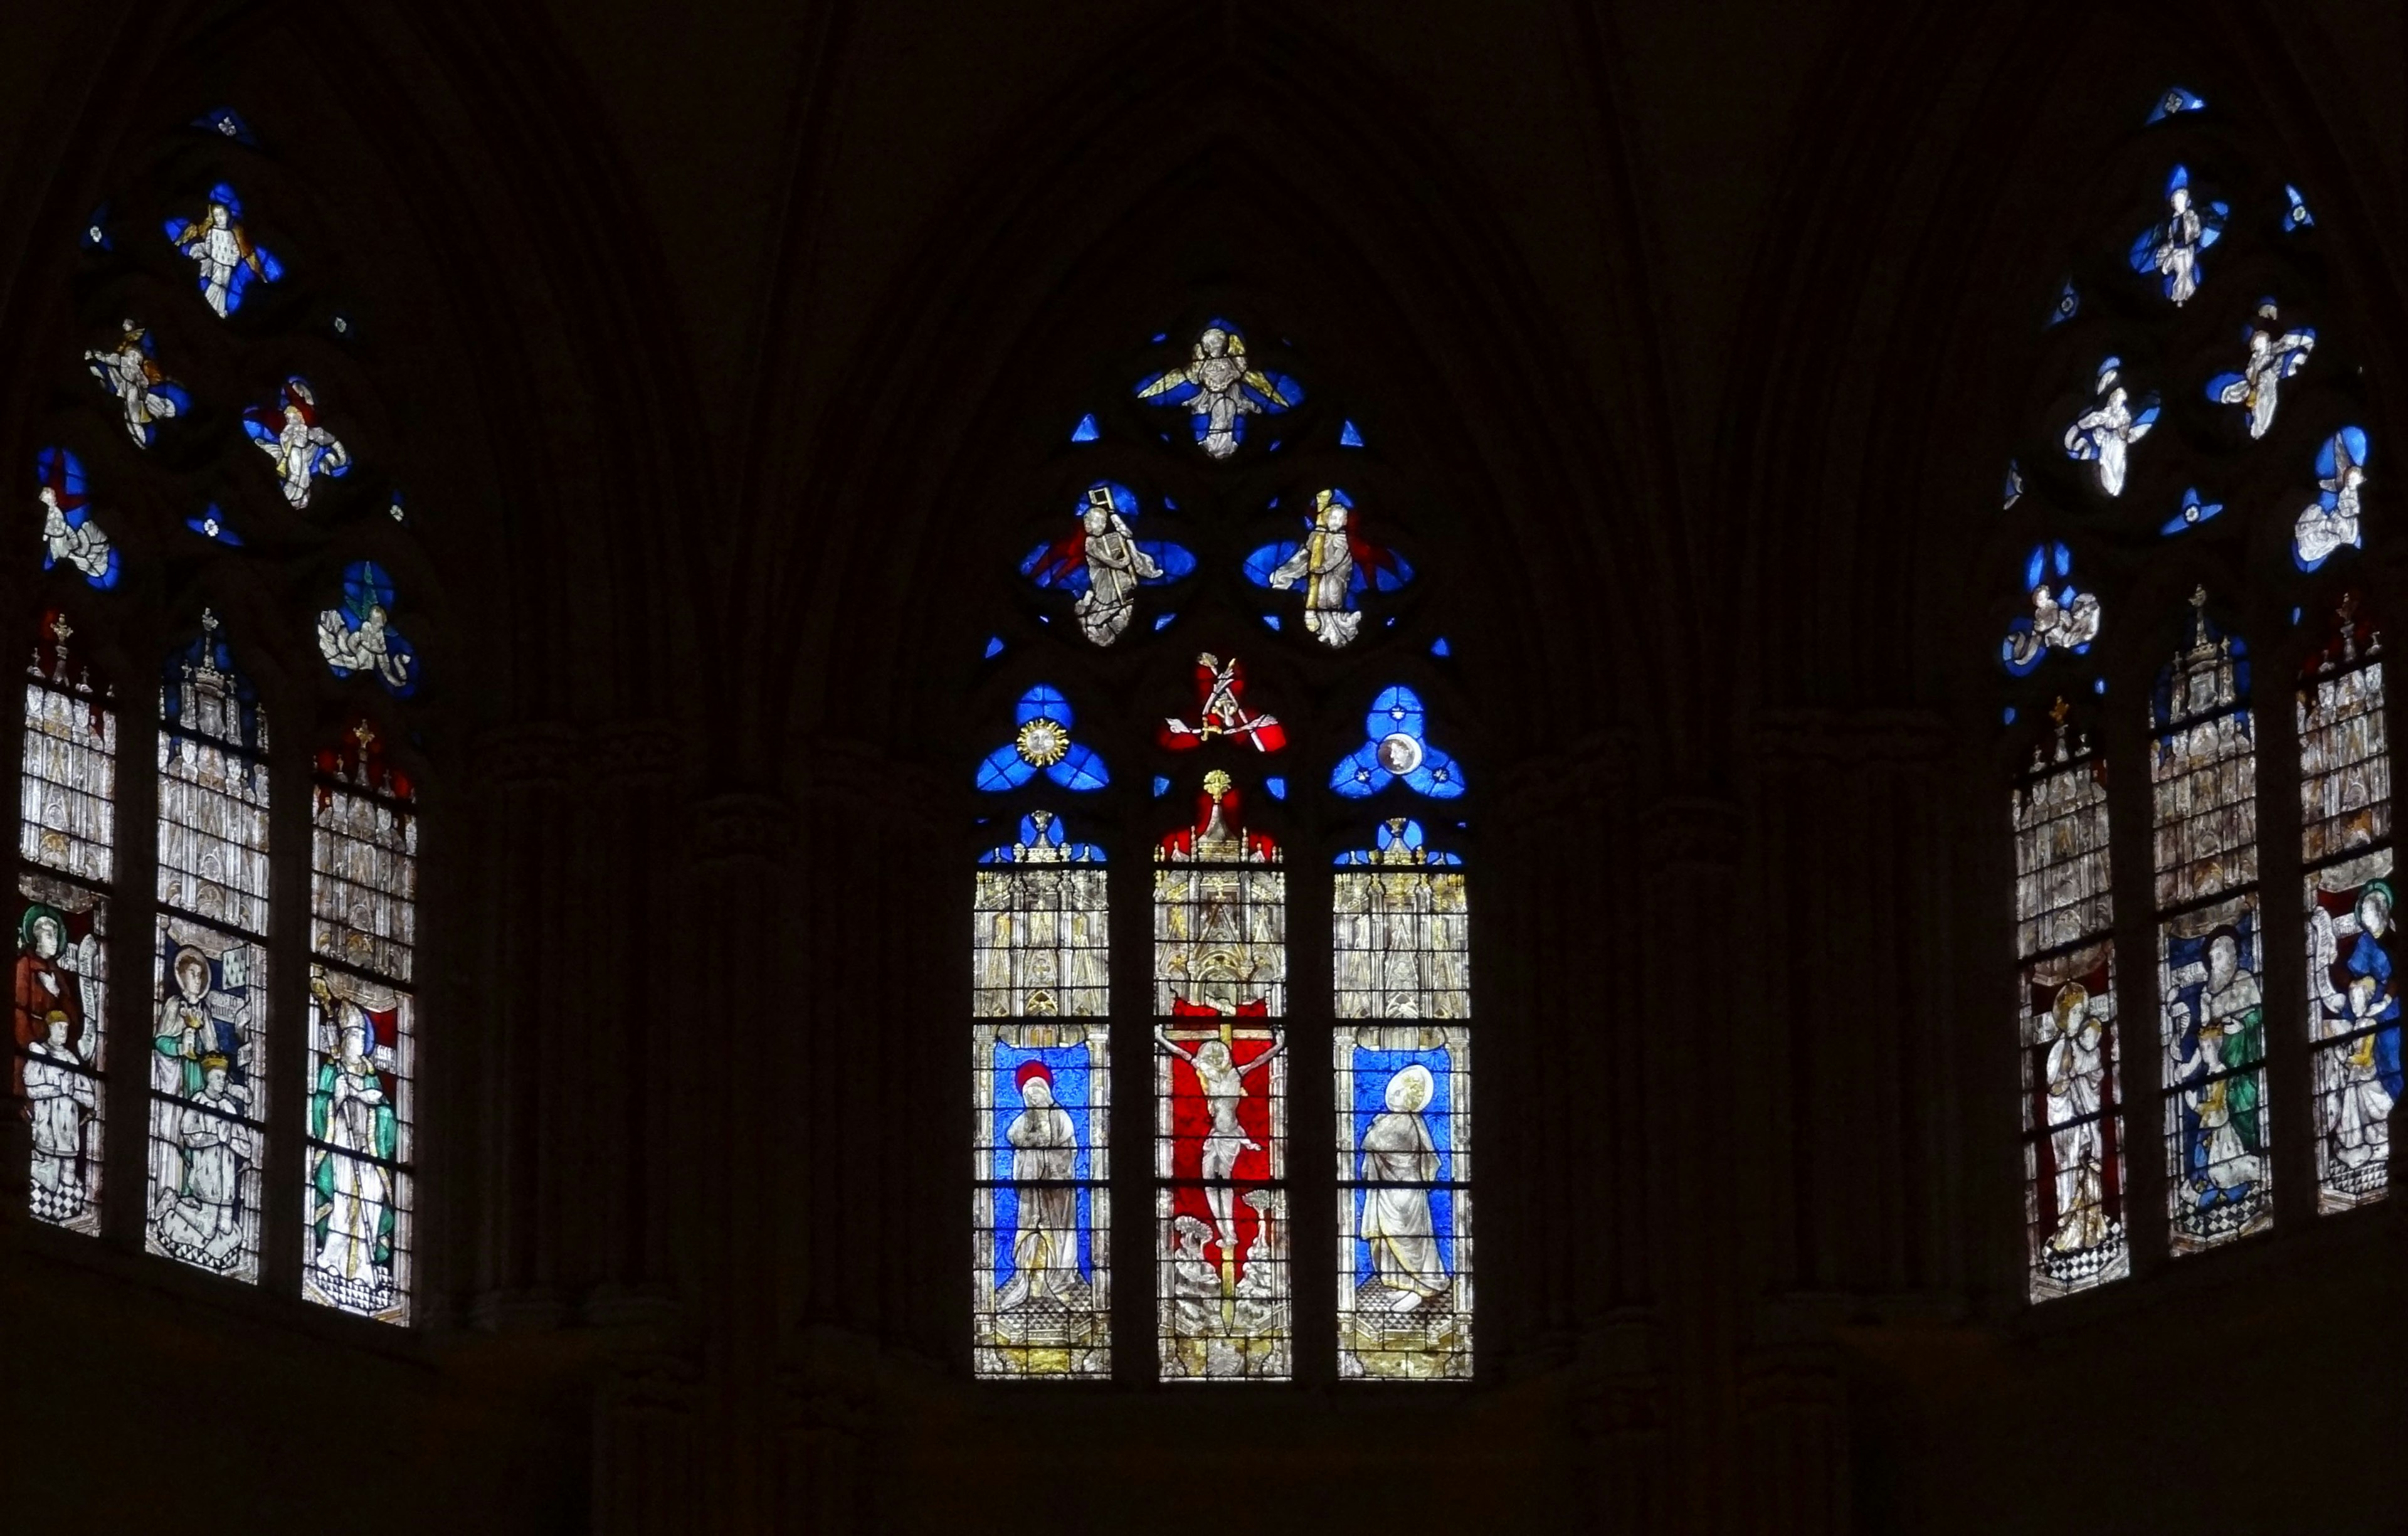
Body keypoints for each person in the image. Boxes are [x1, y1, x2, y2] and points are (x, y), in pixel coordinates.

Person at [1154, 1024, 1285, 1259]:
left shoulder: (1235, 1074)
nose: (1215, 1060)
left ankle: (1230, 1232)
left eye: (1219, 1056)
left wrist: (1279, 1045)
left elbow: (1260, 1060)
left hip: (1231, 1135)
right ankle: (1225, 1231)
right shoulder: (1214, 1075)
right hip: (1217, 1135)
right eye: (1212, 1056)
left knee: (1223, 1183)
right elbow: (1183, 1054)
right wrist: (1160, 1039)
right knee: (1208, 1184)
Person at [2168, 929, 2264, 1209]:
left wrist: (2243, 1026)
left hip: (2245, 1062)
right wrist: (2189, 1068)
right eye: (2216, 955)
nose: (2222, 960)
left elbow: (2261, 1017)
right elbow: (2205, 1038)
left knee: (2242, 1112)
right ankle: (2219, 1181)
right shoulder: (2207, 996)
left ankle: (2246, 1172)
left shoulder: (2246, 980)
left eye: (2225, 953)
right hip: (2218, 1066)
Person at [310, 1000, 398, 1289]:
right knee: (343, 1200)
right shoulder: (332, 1071)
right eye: (351, 1037)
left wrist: (362, 1097)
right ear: (343, 1040)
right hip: (342, 1148)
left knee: (369, 1204)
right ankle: (333, 1257)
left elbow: (387, 1114)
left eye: (360, 1037)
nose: (355, 1043)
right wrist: (337, 1095)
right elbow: (319, 1105)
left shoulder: (370, 1075)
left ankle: (363, 1265)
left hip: (369, 1153)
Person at [1358, 1064, 1447, 1310]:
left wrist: (1374, 1128)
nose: (1393, 1095)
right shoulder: (1407, 1121)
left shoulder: (1402, 1122)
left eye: (1399, 1093)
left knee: (1408, 1240)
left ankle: (1423, 1286)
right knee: (1391, 1239)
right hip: (1393, 1191)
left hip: (1403, 1194)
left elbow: (1373, 1142)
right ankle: (1404, 1284)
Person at [157, 1054, 255, 1267]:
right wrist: (213, 1138)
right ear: (208, 1077)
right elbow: (189, 1134)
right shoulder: (198, 1102)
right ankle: (173, 1202)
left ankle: (187, 1208)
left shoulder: (230, 1109)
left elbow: (246, 1148)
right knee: (208, 1228)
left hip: (227, 1185)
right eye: (219, 1077)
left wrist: (228, 1139)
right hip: (206, 1177)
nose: (223, 1082)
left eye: (224, 1077)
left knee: (227, 1228)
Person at [994, 1064, 1079, 1309]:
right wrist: (1030, 1146)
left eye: (1037, 1093)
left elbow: (1069, 1151)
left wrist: (1052, 1161)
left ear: (1046, 1093)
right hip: (1032, 1194)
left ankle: (1058, 1281)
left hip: (1057, 1194)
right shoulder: (1024, 1119)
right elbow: (1013, 1136)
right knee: (1031, 1233)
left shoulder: (1061, 1117)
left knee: (1057, 1235)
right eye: (1029, 1095)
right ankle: (1029, 1280)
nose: (1033, 1098)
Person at [2041, 983, 2109, 1253]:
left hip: (2084, 1117)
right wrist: (2068, 1081)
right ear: (2066, 1017)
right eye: (2075, 1014)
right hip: (2065, 1118)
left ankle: (2092, 1228)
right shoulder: (2059, 1049)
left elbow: (2095, 1077)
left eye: (2082, 1013)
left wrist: (2083, 1077)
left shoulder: (2085, 1046)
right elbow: (2053, 1086)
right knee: (2070, 1168)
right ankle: (2069, 1230)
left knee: (2088, 1167)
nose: (2079, 1018)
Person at [1267, 492, 1362, 648]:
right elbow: (1307, 553)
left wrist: (1324, 568)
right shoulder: (1318, 534)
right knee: (1319, 599)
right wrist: (1316, 540)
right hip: (1319, 574)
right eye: (1333, 518)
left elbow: (1339, 557)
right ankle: (1324, 631)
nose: (1336, 522)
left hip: (1335, 575)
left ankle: (1339, 629)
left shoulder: (1342, 538)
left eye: (1340, 519)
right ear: (1326, 519)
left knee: (1331, 598)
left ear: (1345, 522)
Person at [1068, 489, 1162, 646]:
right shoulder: (1090, 542)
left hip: (1115, 577)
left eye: (1104, 522)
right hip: (1102, 578)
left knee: (1125, 585)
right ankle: (1092, 625)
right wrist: (1122, 563)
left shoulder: (1110, 538)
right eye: (1098, 522)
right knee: (1106, 604)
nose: (1102, 525)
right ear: (1088, 524)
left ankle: (1104, 619)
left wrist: (1116, 518)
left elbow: (1126, 535)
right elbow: (1107, 560)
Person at [25, 1009, 95, 1212]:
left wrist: (72, 1090)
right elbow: (31, 1089)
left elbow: (90, 1098)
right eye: (59, 1027)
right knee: (48, 1178)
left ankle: (66, 1214)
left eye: (66, 1027)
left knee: (68, 1179)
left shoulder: (73, 1061)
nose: (64, 1031)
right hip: (46, 1130)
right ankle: (44, 1212)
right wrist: (57, 1089)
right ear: (50, 1028)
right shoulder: (39, 1053)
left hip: (69, 1134)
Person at [13, 905, 82, 1103]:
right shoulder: (23, 966)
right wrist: (30, 1044)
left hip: (55, 1040)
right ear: (37, 939)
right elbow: (18, 1010)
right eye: (50, 936)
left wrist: (57, 991)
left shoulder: (55, 971)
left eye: (57, 935)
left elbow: (73, 1017)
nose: (56, 941)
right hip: (30, 1042)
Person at [170, 193, 273, 317]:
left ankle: (219, 308)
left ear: (227, 216)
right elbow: (209, 246)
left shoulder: (231, 234)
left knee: (223, 286)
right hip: (217, 264)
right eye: (216, 216)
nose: (219, 218)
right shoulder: (212, 232)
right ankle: (214, 307)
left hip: (228, 266)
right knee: (217, 284)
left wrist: (234, 259)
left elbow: (236, 250)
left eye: (222, 215)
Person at [85, 320, 182, 445]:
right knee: (132, 412)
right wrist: (94, 354)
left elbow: (145, 382)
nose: (135, 359)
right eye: (134, 355)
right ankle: (139, 435)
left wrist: (141, 380)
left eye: (137, 358)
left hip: (135, 390)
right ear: (128, 353)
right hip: (127, 388)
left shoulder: (136, 368)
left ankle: (142, 432)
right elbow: (106, 358)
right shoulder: (120, 360)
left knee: (135, 408)